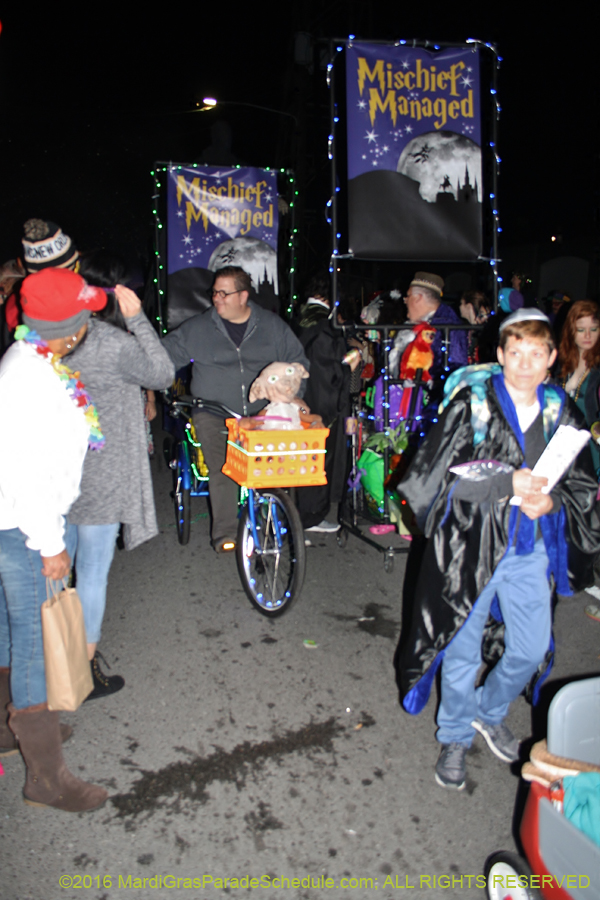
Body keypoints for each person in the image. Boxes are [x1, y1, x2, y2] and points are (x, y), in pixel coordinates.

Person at [395, 308, 600, 791]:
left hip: (529, 551)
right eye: (516, 353)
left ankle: (488, 711)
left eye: (536, 353)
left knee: (530, 650)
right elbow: (429, 482)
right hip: (468, 550)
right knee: (461, 652)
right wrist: (508, 483)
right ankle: (454, 735)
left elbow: (582, 482)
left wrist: (552, 502)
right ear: (501, 355)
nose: (525, 364)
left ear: (551, 357)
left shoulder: (561, 412)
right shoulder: (472, 407)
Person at [0, 267, 108, 811]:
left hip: (15, 519)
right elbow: (26, 469)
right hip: (26, 525)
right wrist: (49, 543)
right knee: (32, 644)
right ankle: (44, 778)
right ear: (71, 327)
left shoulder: (34, 360)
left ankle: (10, 731)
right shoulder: (33, 377)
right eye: (87, 315)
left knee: (8, 629)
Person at [68, 251, 174, 698]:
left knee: (58, 571)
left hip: (60, 470)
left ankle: (49, 659)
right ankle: (82, 670)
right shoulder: (113, 343)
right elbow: (164, 373)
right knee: (91, 572)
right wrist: (139, 319)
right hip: (103, 474)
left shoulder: (61, 337)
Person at [162, 265, 309, 552]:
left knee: (274, 467)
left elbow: (297, 362)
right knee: (223, 467)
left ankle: (273, 515)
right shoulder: (197, 328)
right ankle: (226, 533)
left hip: (262, 412)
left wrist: (294, 396)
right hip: (213, 412)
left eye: (223, 293)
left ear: (243, 296)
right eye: (214, 292)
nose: (216, 298)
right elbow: (161, 358)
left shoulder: (272, 326)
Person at [294, 277, 360, 534]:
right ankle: (311, 516)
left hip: (297, 401)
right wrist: (350, 364)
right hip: (317, 405)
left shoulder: (298, 319)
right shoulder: (323, 328)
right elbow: (327, 376)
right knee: (318, 457)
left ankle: (301, 511)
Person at [389, 272, 468, 383]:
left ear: (418, 298)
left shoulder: (448, 326)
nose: (405, 301)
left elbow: (456, 368)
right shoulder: (412, 326)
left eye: (408, 296)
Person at [558, 300, 600, 477]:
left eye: (594, 329)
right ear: (571, 331)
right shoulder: (561, 363)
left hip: (592, 450)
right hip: (561, 447)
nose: (588, 335)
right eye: (581, 330)